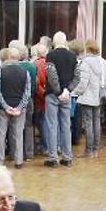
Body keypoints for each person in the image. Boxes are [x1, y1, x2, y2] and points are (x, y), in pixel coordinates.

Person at [69, 40, 106, 158]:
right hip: (99, 97)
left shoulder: (85, 63)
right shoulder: (103, 62)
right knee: (97, 122)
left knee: (88, 124)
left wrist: (75, 92)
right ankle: (96, 150)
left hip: (87, 97)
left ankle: (89, 151)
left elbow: (83, 82)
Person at [0, 47, 31, 168]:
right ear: (19, 57)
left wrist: (5, 106)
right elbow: (27, 93)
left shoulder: (1, 71)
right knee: (18, 133)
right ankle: (18, 160)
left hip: (2, 108)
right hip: (19, 108)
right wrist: (20, 107)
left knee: (1, 134)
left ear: (8, 56)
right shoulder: (25, 72)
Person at [44, 33, 76, 167]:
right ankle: (67, 157)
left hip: (53, 94)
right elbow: (77, 77)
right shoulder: (73, 56)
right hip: (66, 96)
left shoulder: (50, 55)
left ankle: (53, 158)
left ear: (54, 42)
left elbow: (51, 75)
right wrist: (67, 90)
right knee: (66, 126)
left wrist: (58, 91)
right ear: (65, 41)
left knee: (52, 126)